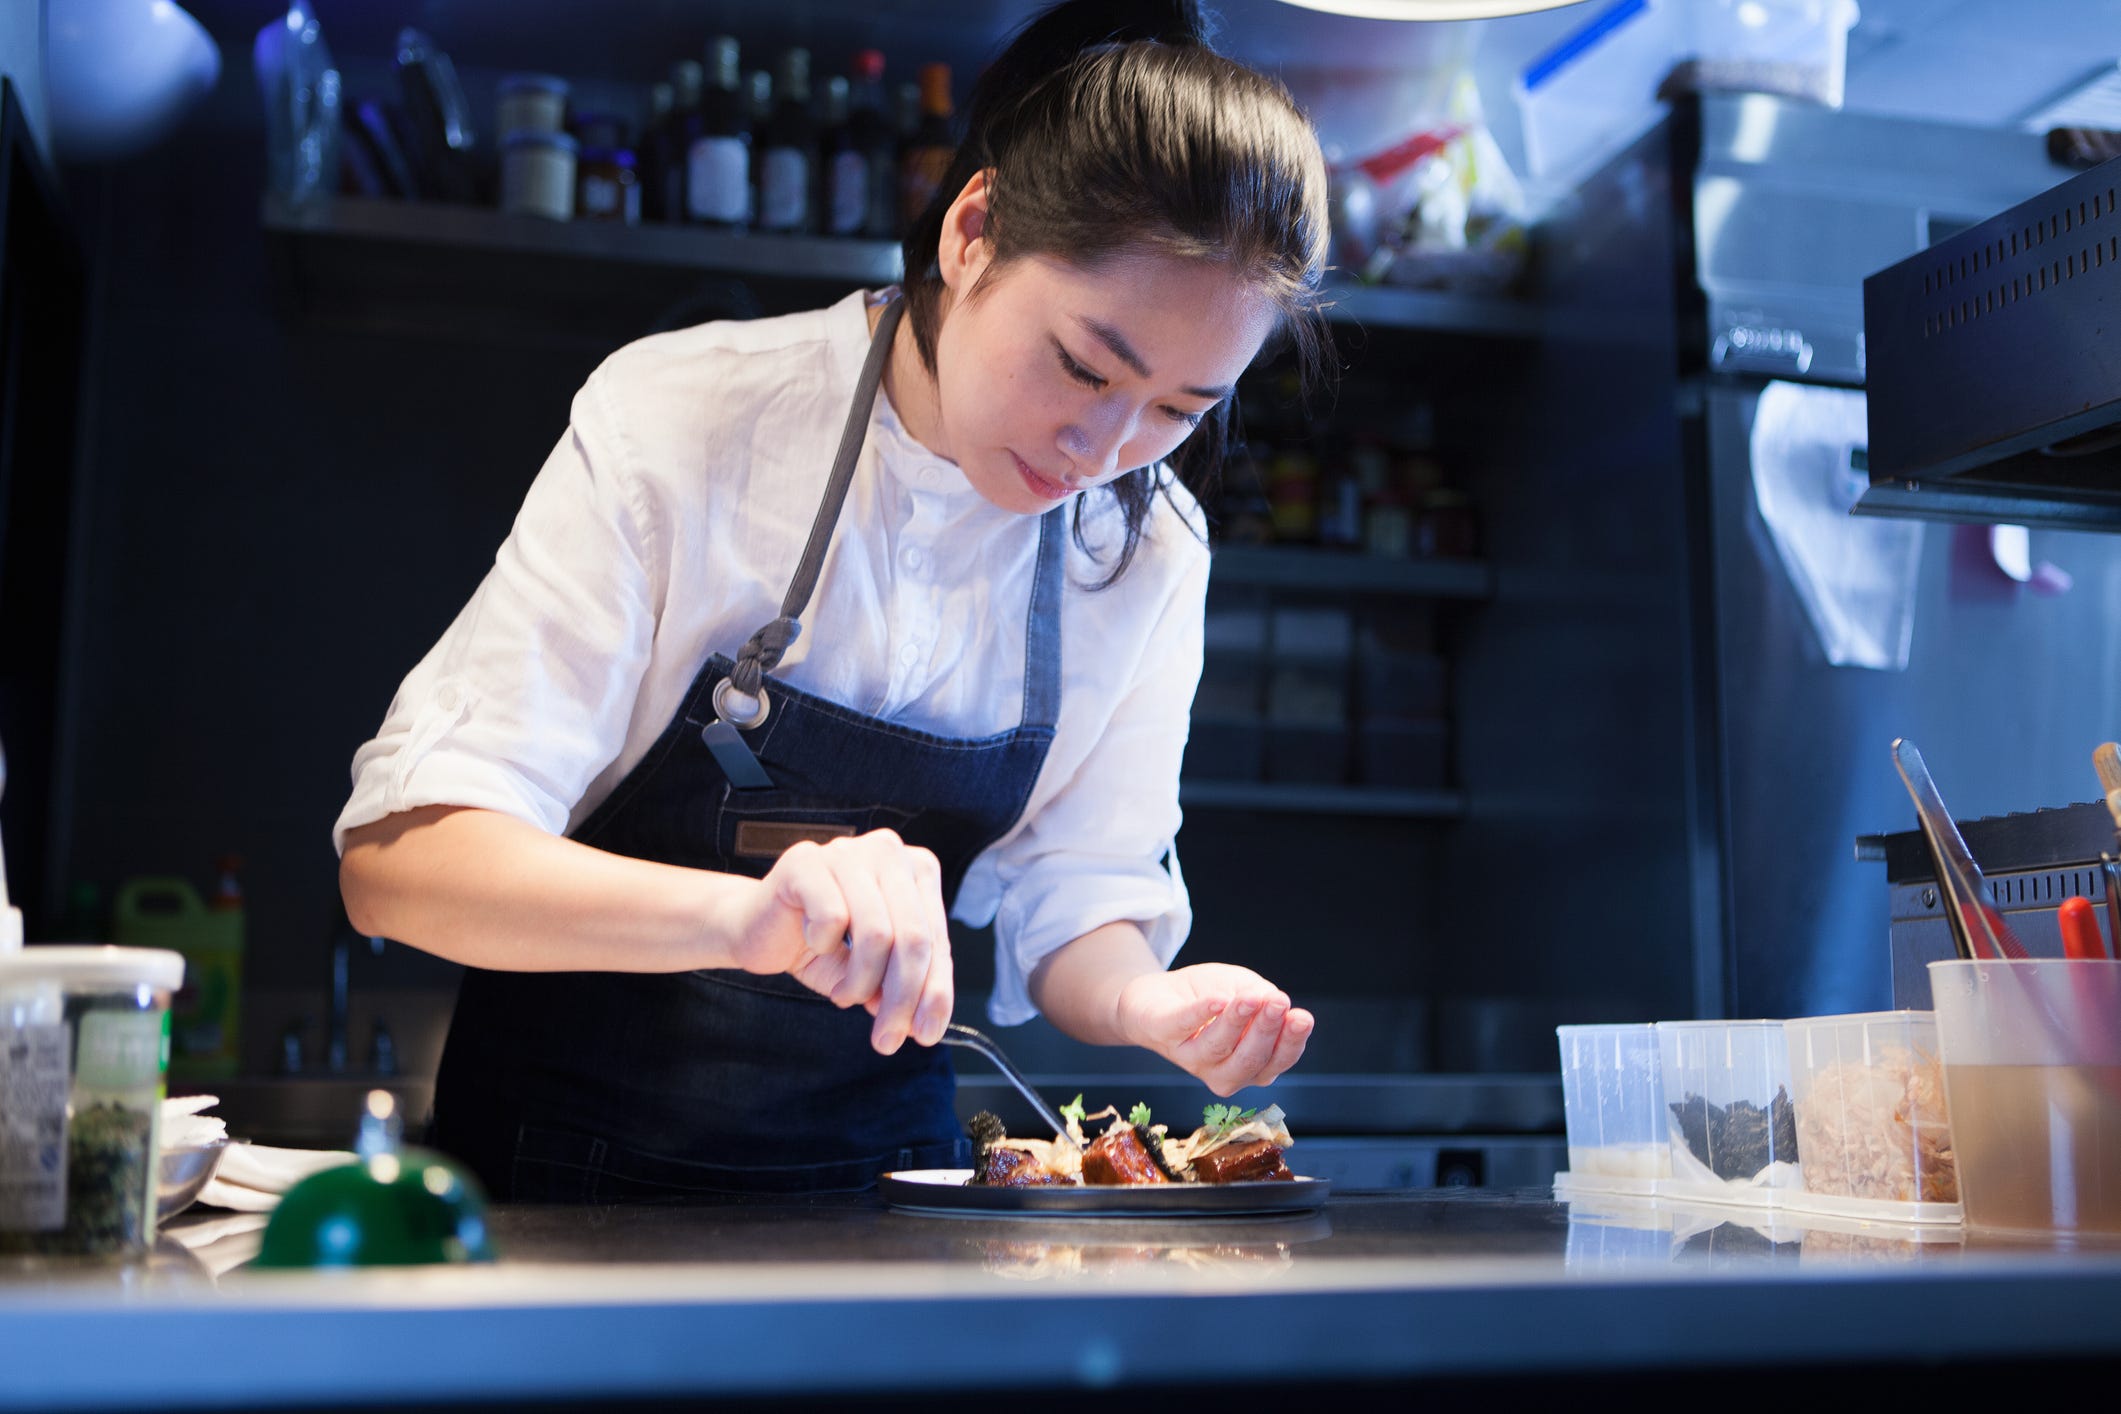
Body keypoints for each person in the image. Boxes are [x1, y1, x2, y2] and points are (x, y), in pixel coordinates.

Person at [334, 0, 1332, 1201]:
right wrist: (745, 921)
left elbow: (1079, 891)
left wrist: (1141, 997)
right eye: (1082, 363)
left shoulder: (1149, 545)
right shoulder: (686, 418)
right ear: (973, 232)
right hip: (561, 1191)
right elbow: (403, 863)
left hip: (890, 1195)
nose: (1103, 448)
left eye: (1179, 409)